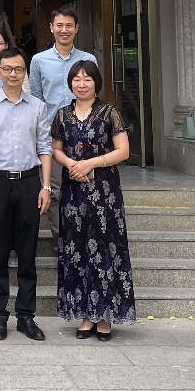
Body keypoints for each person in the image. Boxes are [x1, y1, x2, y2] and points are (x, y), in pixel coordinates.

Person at [51, 59, 136, 341]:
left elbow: (123, 151)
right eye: (77, 79)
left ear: (96, 83)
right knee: (78, 249)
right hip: (73, 193)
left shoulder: (109, 113)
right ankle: (86, 315)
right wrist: (72, 165)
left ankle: (105, 315)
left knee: (105, 249)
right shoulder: (62, 115)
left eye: (87, 79)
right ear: (70, 83)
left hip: (104, 193)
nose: (82, 84)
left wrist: (91, 163)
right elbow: (55, 149)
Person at [0, 47, 53, 342]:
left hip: (30, 182)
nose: (12, 74)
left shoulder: (38, 107)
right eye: (7, 69)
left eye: (18, 69)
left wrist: (46, 186)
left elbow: (44, 147)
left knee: (28, 253)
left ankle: (26, 316)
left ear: (24, 72)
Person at [29, 5, 98, 120]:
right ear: (51, 28)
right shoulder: (38, 60)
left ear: (76, 28)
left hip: (83, 124)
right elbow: (36, 98)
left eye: (69, 25)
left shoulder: (89, 59)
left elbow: (93, 94)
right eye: (59, 25)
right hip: (50, 125)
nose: (64, 30)